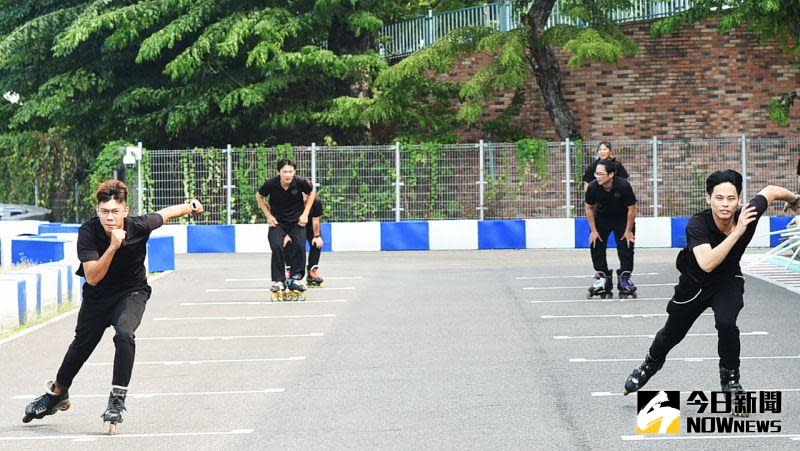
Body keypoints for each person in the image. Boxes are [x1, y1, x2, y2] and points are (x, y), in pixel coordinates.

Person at [22, 179, 203, 433]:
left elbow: (166, 213)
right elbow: (93, 277)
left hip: (132, 292)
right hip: (98, 295)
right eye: (104, 212)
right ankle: (57, 394)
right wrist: (114, 246)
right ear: (98, 211)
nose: (109, 217)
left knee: (125, 334)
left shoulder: (139, 225)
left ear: (125, 211)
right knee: (80, 346)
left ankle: (117, 399)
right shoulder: (88, 232)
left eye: (115, 212)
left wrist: (191, 205)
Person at [622, 170, 800, 417]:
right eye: (719, 198)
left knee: (727, 323)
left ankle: (731, 382)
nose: (725, 204)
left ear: (739, 200)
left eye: (730, 198)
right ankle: (649, 364)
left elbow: (770, 191)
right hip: (695, 283)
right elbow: (707, 262)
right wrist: (738, 232)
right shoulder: (698, 224)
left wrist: (794, 200)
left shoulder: (748, 212)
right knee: (672, 333)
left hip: (727, 280)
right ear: (708, 199)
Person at [256, 159, 316, 297]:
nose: (288, 175)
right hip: (278, 222)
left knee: (300, 246)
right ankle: (279, 281)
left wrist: (305, 214)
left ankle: (296, 278)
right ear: (278, 172)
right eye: (285, 172)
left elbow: (312, 192)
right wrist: (268, 216)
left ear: (294, 172)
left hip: (297, 221)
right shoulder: (271, 184)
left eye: (290, 171)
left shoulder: (300, 182)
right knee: (276, 246)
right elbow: (259, 196)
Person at [585, 159, 638, 299]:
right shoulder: (593, 187)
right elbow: (589, 208)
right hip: (602, 217)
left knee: (626, 245)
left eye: (601, 174)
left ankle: (624, 279)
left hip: (622, 218)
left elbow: (632, 208)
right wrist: (594, 231)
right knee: (595, 244)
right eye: (596, 173)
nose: (597, 176)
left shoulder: (623, 186)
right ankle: (603, 279)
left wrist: (628, 230)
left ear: (611, 174)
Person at [282, 197, 325, 286]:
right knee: (288, 242)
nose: (305, 195)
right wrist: (286, 234)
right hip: (294, 225)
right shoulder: (292, 200)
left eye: (307, 193)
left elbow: (316, 220)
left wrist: (317, 236)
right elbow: (285, 218)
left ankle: (312, 271)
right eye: (303, 192)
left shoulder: (315, 202)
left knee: (317, 243)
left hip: (310, 225)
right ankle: (290, 269)